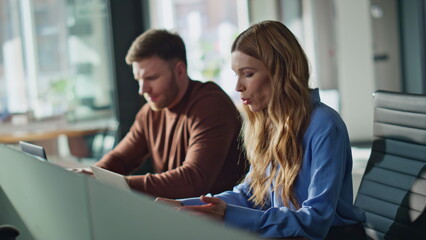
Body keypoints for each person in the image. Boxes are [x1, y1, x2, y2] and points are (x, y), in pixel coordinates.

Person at [156, 21, 366, 239]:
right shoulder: (270, 124)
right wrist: (183, 206)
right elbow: (249, 195)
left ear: (280, 72)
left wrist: (227, 216)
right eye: (236, 74)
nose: (238, 86)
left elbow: (316, 221)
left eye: (247, 74)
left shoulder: (325, 125)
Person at [89, 29, 246, 199]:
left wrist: (117, 183)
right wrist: (90, 176)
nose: (142, 90)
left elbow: (193, 180)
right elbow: (120, 159)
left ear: (179, 70)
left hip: (221, 220)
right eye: (138, 80)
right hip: (180, 215)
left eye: (151, 78)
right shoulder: (150, 113)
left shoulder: (211, 104)